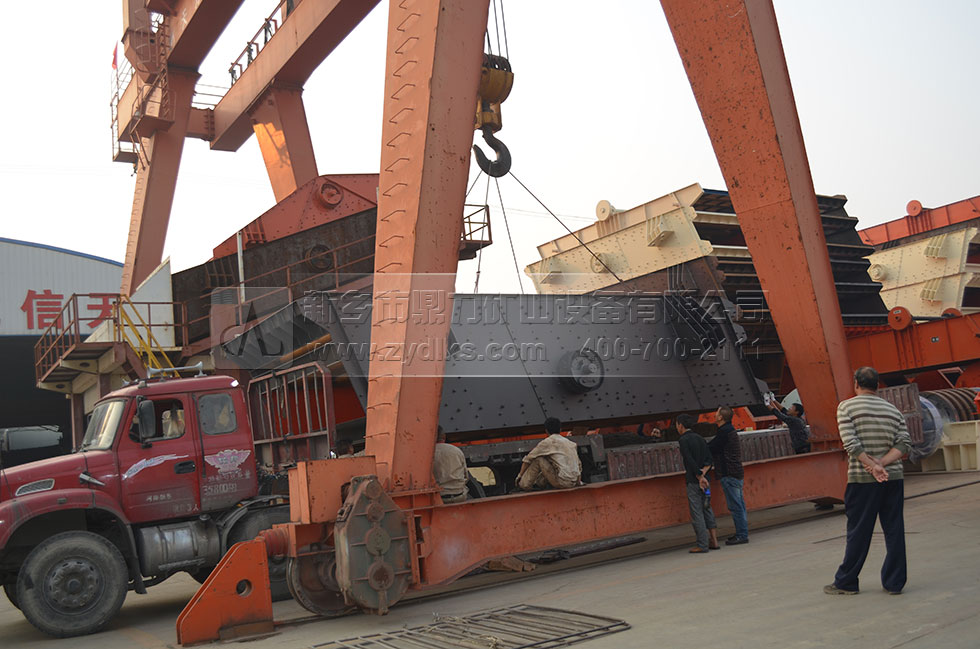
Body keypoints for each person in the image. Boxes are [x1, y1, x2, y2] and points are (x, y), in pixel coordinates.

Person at [825, 366, 911, 596]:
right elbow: (904, 443)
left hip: (862, 480)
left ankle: (846, 582)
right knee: (894, 529)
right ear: (878, 385)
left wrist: (872, 466)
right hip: (893, 478)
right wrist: (882, 463)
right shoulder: (893, 410)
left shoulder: (846, 407)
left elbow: (851, 443)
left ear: (856, 384)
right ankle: (894, 583)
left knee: (859, 531)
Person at [676, 413, 719, 553]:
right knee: (707, 508)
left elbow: (689, 460)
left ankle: (702, 544)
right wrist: (704, 474)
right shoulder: (700, 438)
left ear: (680, 425)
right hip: (706, 481)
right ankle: (714, 540)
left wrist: (699, 477)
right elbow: (709, 460)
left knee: (697, 512)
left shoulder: (683, 440)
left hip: (694, 481)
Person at [707, 406, 748, 545]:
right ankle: (742, 532)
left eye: (716, 413)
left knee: (736, 506)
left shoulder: (724, 432)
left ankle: (742, 535)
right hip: (735, 472)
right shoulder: (729, 430)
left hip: (729, 473)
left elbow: (711, 447)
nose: (714, 415)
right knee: (739, 505)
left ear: (721, 417)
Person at [516, 418, 581, 490]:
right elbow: (578, 464)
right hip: (573, 482)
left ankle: (524, 485)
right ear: (560, 429)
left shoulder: (547, 442)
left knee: (539, 459)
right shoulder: (571, 443)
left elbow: (528, 459)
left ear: (546, 431)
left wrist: (520, 476)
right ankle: (540, 483)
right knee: (551, 460)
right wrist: (578, 482)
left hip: (562, 482)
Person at [432, 426, 469, 503]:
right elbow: (466, 476)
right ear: (444, 436)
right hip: (459, 495)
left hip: (440, 498)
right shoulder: (456, 450)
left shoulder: (428, 454)